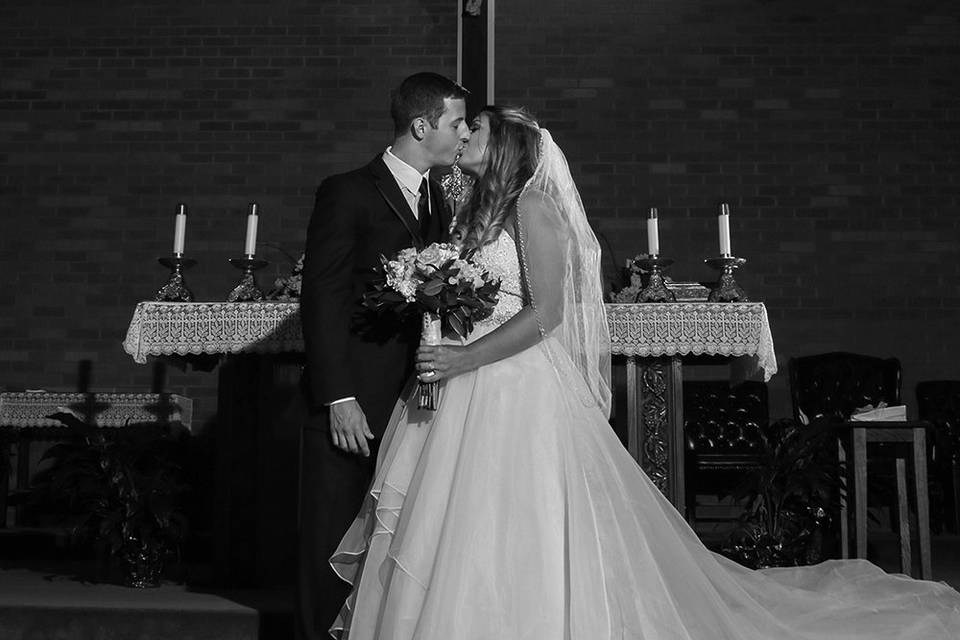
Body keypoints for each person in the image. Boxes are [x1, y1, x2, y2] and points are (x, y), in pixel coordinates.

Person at [328, 106, 960, 639]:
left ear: (507, 150)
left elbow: (548, 314)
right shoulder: (472, 213)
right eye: (463, 130)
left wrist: (465, 355)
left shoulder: (534, 209)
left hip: (512, 383)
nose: (464, 137)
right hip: (459, 381)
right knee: (447, 520)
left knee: (517, 514)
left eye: (479, 132)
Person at [296, 72, 470, 640]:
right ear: (422, 126)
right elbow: (321, 295)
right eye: (456, 122)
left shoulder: (440, 200)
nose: (462, 134)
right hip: (357, 393)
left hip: (418, 391)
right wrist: (337, 396)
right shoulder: (346, 190)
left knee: (395, 528)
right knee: (334, 525)